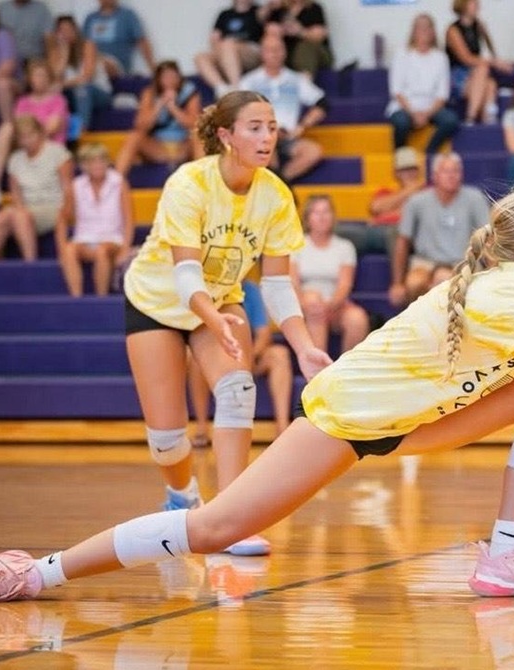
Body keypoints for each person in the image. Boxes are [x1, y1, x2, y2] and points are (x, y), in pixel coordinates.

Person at [0, 180, 514, 607]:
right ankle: (34, 575)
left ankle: (502, 558)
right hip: (348, 418)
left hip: (421, 421)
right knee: (217, 528)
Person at [102, 92, 330, 558]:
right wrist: (213, 318)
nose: (267, 136)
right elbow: (186, 273)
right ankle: (182, 497)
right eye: (255, 127)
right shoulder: (189, 183)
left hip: (221, 301)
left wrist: (303, 345)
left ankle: (229, 519)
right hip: (157, 303)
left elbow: (278, 283)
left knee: (238, 389)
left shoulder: (276, 194)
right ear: (225, 136)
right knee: (167, 440)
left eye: (271, 126)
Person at [189, 280, 295, 447]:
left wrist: (246, 356)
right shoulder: (202, 292)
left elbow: (263, 333)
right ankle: (202, 428)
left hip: (247, 355)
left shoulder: (250, 290)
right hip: (215, 356)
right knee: (196, 361)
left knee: (280, 355)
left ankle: (282, 428)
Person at [389, 152, 490, 306]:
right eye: (446, 171)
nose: (451, 176)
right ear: (434, 176)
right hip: (425, 262)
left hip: (463, 262)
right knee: (414, 283)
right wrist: (397, 283)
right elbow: (403, 240)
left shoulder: (475, 198)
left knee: (446, 279)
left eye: (455, 171)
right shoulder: (416, 202)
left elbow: (489, 238)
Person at [0, 115, 73, 262]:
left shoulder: (58, 153)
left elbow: (68, 187)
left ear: (40, 133)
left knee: (19, 216)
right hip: (26, 208)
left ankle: (30, 263)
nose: (27, 140)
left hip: (53, 207)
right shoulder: (15, 159)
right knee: (2, 217)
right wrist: (20, 209)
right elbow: (15, 195)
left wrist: (67, 212)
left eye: (31, 135)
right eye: (22, 137)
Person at [238, 34, 325, 184]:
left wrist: (302, 125)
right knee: (267, 145)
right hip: (258, 137)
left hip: (288, 137)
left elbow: (322, 103)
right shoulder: (249, 81)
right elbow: (238, 110)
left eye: (278, 49)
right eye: (270, 50)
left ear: (284, 52)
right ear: (262, 53)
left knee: (313, 152)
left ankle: (280, 181)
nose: (274, 54)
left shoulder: (296, 79)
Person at [291, 194, 370, 355]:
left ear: (333, 216)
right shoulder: (296, 244)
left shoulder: (344, 247)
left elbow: (344, 284)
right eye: (316, 213)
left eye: (326, 212)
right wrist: (306, 304)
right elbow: (293, 282)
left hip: (335, 304)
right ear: (307, 218)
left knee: (358, 318)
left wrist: (330, 306)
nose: (322, 217)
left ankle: (346, 374)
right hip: (304, 303)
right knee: (313, 302)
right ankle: (319, 371)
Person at [56, 143, 134, 297]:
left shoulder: (119, 182)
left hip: (112, 240)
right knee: (69, 249)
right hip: (84, 239)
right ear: (84, 165)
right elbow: (62, 218)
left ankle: (101, 298)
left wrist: (125, 248)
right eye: (93, 162)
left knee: (102, 250)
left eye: (101, 160)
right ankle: (76, 298)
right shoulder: (76, 185)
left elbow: (129, 219)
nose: (98, 165)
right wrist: (61, 249)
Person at [386, 13, 461, 156]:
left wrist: (426, 114)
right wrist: (413, 113)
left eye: (427, 28)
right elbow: (396, 90)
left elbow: (442, 94)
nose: (424, 31)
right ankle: (401, 156)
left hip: (432, 107)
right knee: (401, 123)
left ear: (433, 32)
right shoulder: (401, 54)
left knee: (451, 120)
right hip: (404, 106)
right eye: (420, 28)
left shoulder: (440, 57)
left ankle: (428, 154)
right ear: (413, 31)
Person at [115, 61, 203, 176]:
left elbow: (194, 124)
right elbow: (140, 125)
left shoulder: (190, 93)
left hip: (183, 147)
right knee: (134, 136)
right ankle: (115, 181)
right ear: (158, 79)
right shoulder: (149, 93)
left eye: (173, 76)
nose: (170, 80)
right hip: (158, 148)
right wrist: (159, 105)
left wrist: (173, 108)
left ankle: (203, 180)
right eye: (166, 76)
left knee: (198, 136)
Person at [339, 146, 424, 256]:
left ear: (418, 171)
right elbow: (375, 208)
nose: (409, 173)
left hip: (406, 235)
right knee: (337, 231)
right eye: (404, 169)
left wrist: (388, 210)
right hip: (378, 232)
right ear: (396, 173)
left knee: (396, 233)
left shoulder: (426, 194)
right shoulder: (385, 192)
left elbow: (415, 217)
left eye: (412, 169)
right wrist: (409, 190)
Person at [445, 0, 513, 124]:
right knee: (483, 69)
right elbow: (465, 58)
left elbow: (490, 49)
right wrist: (494, 62)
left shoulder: (479, 26)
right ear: (463, 5)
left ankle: (488, 119)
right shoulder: (453, 30)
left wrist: (496, 61)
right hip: (456, 76)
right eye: (473, 3)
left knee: (490, 84)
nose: (477, 5)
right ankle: (470, 116)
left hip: (474, 76)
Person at [0, 58, 69, 170]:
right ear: (30, 79)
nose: (40, 80)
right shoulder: (22, 101)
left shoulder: (58, 100)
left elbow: (51, 128)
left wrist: (30, 132)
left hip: (48, 143)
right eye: (36, 76)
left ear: (49, 79)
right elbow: (18, 126)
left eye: (43, 76)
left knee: (29, 135)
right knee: (6, 128)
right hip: (25, 142)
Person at [47, 15, 113, 135]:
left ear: (76, 30)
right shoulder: (55, 52)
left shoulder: (88, 45)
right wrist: (65, 53)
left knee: (82, 90)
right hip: (72, 93)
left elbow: (87, 77)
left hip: (98, 92)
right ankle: (54, 133)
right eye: (62, 31)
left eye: (69, 29)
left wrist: (62, 85)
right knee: (51, 93)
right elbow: (55, 79)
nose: (66, 34)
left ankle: (81, 133)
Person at [196, 0, 265, 98]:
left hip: (251, 51)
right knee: (200, 57)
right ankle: (221, 89)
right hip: (227, 52)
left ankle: (236, 87)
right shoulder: (225, 14)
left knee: (228, 43)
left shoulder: (259, 11)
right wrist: (220, 51)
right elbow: (214, 38)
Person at [259, 0, 332, 79]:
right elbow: (268, 29)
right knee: (272, 46)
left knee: (305, 47)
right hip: (288, 52)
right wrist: (281, 30)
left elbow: (320, 34)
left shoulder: (313, 8)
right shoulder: (279, 9)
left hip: (313, 53)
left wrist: (300, 32)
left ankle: (305, 85)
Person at [82, 0, 155, 77]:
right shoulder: (90, 18)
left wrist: (153, 68)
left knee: (102, 64)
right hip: (92, 62)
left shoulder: (127, 15)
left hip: (117, 65)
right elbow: (83, 43)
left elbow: (142, 41)